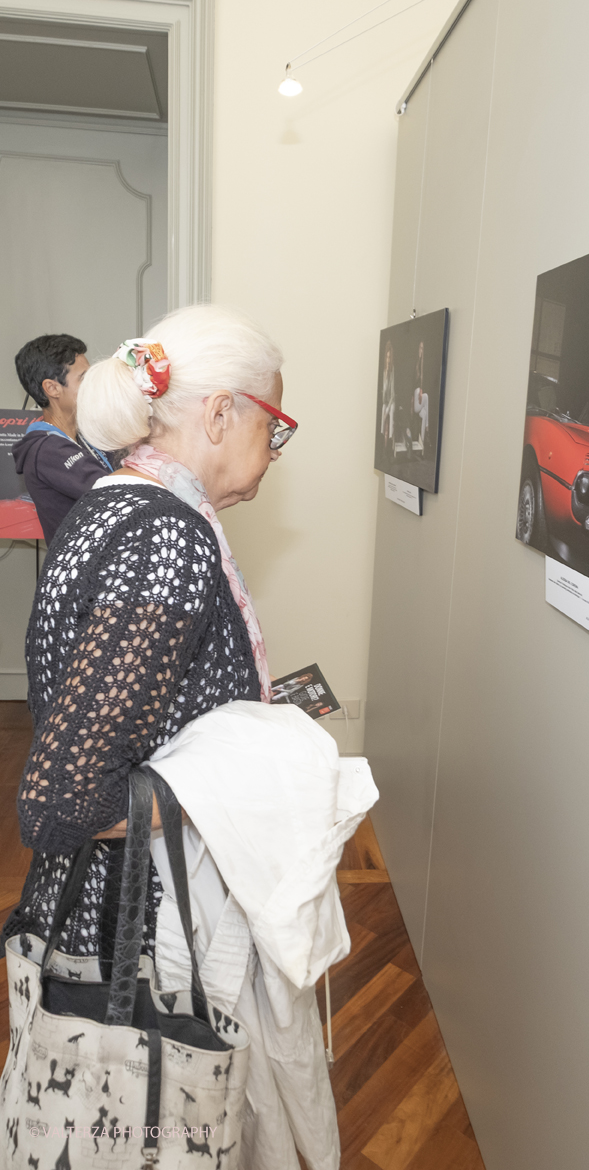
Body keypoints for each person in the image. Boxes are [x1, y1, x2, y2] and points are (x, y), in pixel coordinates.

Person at [2, 303, 294, 995]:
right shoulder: (164, 534)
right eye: (273, 424)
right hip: (138, 931)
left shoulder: (120, 500)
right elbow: (62, 804)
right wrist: (236, 781)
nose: (277, 448)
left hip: (117, 911)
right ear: (221, 414)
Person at [12, 333, 112, 543]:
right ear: (52, 388)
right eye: (84, 378)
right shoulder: (46, 449)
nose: (93, 385)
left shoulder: (84, 436)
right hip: (84, 573)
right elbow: (114, 493)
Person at [412, 339, 429, 451]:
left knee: (424, 414)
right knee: (426, 396)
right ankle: (428, 429)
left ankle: (422, 442)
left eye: (423, 348)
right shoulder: (415, 364)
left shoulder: (424, 366)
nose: (421, 350)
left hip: (420, 399)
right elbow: (413, 384)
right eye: (420, 348)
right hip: (416, 397)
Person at [380, 339, 395, 455]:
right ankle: (382, 441)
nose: (388, 360)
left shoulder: (392, 371)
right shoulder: (384, 372)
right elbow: (383, 396)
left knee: (391, 411)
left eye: (390, 357)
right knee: (383, 409)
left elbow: (392, 394)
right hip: (385, 401)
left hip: (392, 400)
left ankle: (389, 441)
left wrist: (388, 410)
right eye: (387, 357)